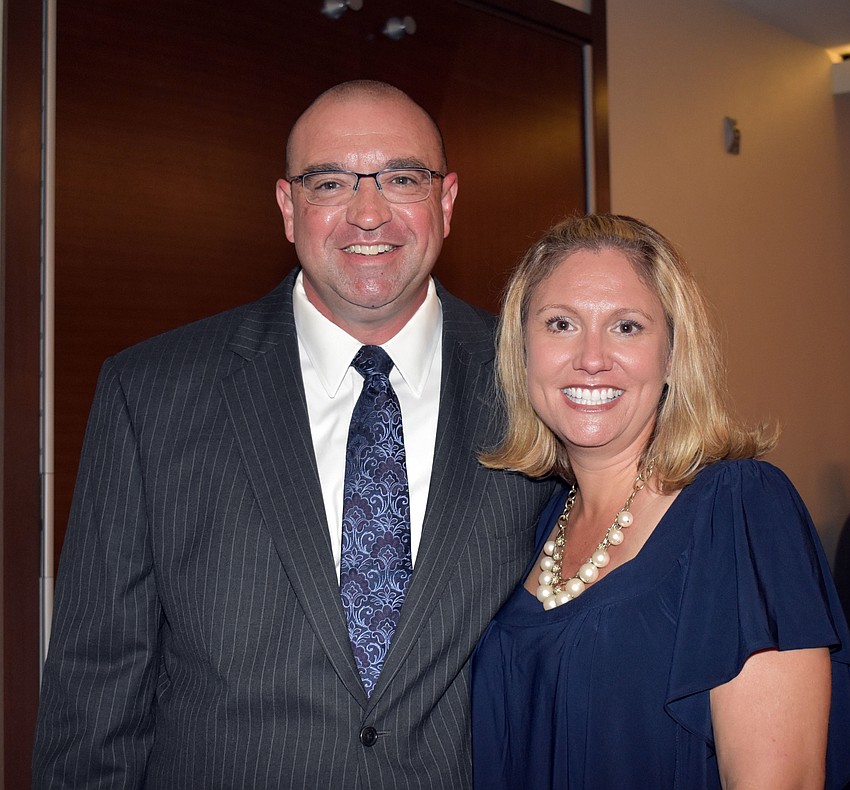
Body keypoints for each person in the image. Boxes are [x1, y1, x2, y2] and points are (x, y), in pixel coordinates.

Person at [32, 80, 556, 788]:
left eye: (402, 178)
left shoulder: (538, 386)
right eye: (331, 182)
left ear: (446, 200)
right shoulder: (150, 392)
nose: (368, 214)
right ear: (288, 207)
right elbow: (96, 685)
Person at [471, 214, 850, 789]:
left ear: (671, 355)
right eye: (560, 324)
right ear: (522, 353)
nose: (591, 357)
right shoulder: (531, 525)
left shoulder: (741, 510)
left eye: (626, 327)